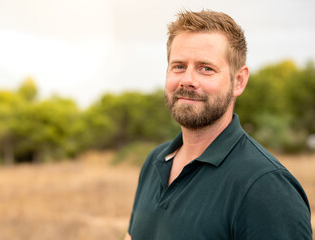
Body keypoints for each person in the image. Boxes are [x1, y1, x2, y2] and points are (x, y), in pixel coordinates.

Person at [124, 10, 312, 240]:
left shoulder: (266, 187)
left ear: (239, 81)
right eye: (179, 66)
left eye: (206, 68)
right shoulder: (155, 162)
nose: (188, 80)